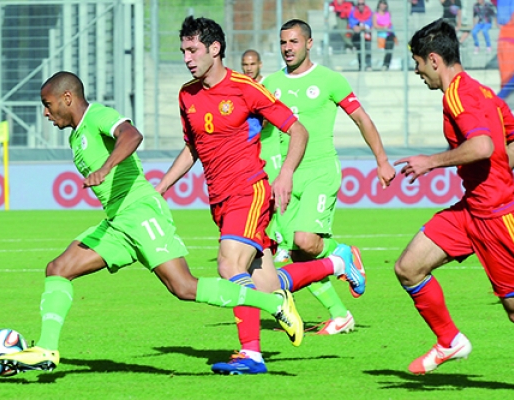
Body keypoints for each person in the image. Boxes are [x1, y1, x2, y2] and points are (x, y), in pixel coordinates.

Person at [0, 71, 304, 373]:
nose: (45, 112)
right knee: (58, 269)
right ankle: (47, 349)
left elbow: (132, 135)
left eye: (47, 104)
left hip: (141, 212)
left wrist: (106, 168)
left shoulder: (98, 115)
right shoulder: (76, 135)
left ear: (67, 98)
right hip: (118, 222)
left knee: (183, 287)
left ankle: (273, 304)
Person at [155, 16, 366, 375]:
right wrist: (161, 188)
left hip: (249, 192)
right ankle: (337, 262)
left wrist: (285, 174)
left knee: (229, 266)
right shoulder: (186, 94)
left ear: (214, 48)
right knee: (265, 286)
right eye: (183, 51)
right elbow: (193, 149)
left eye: (193, 50)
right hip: (219, 200)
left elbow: (298, 131)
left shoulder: (245, 88)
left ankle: (251, 354)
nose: (187, 58)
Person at [394, 19, 514, 375]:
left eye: (417, 63)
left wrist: (430, 161)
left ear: (433, 59)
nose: (417, 72)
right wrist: (498, 171)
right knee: (408, 268)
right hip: (472, 210)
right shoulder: (483, 93)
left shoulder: (458, 95)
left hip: (500, 217)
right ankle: (450, 341)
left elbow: (483, 146)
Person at [261, 19, 395, 335]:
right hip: (286, 178)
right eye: (283, 43)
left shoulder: (329, 80)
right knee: (298, 255)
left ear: (309, 43)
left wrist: (382, 160)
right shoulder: (270, 83)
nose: (287, 48)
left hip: (320, 171)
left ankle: (341, 252)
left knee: (306, 241)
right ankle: (340, 315)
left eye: (294, 41)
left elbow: (361, 119)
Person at [240, 49, 290, 263]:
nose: (248, 68)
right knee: (259, 200)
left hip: (271, 150)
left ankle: (284, 243)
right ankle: (265, 241)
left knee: (276, 197)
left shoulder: (267, 85)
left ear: (260, 64)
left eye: (252, 64)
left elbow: (269, 117)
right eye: (245, 64)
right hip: (252, 152)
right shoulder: (241, 86)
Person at [348, 0, 373, 70]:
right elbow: (351, 21)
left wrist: (362, 26)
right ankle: (361, 66)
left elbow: (370, 22)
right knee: (359, 50)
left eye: (362, 4)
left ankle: (368, 65)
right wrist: (355, 26)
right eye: (359, 4)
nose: (361, 5)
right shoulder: (353, 11)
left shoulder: (369, 11)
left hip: (367, 33)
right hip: (358, 34)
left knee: (368, 49)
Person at [373, 0, 396, 71]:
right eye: (382, 4)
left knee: (389, 50)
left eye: (384, 4)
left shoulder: (388, 13)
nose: (383, 6)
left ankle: (386, 65)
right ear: (379, 5)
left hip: (389, 34)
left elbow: (390, 23)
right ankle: (383, 64)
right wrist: (383, 27)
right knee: (384, 51)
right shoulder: (375, 14)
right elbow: (375, 25)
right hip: (381, 35)